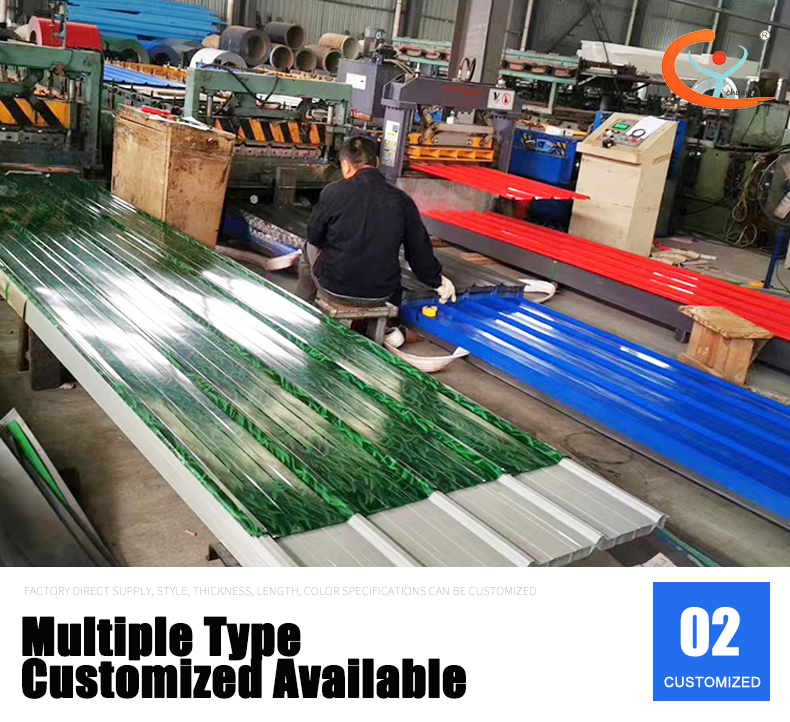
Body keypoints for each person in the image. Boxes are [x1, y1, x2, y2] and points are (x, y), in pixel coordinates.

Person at [296, 135, 456, 308]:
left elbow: (315, 236)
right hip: (381, 294)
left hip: (335, 289)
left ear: (346, 166)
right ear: (377, 162)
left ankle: (302, 308)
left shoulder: (332, 192)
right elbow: (418, 252)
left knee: (308, 247)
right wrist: (437, 281)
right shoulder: (402, 200)